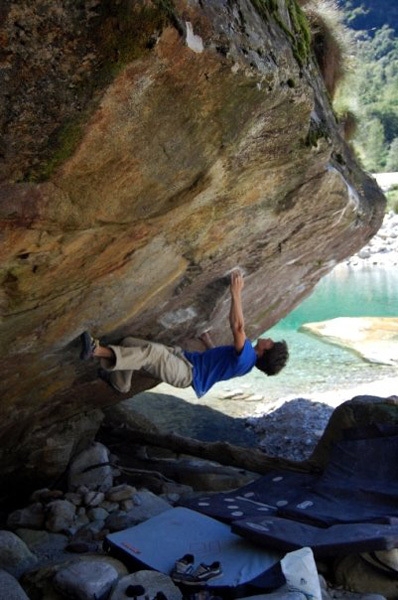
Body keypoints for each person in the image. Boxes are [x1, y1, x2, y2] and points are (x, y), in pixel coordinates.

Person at [80, 269, 289, 397]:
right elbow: (220, 364)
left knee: (152, 353)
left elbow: (238, 328)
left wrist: (236, 292)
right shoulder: (245, 362)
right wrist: (208, 341)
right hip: (186, 361)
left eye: (271, 342)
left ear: (266, 350)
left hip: (186, 374)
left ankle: (96, 351)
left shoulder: (248, 357)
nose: (269, 338)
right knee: (130, 343)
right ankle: (121, 383)